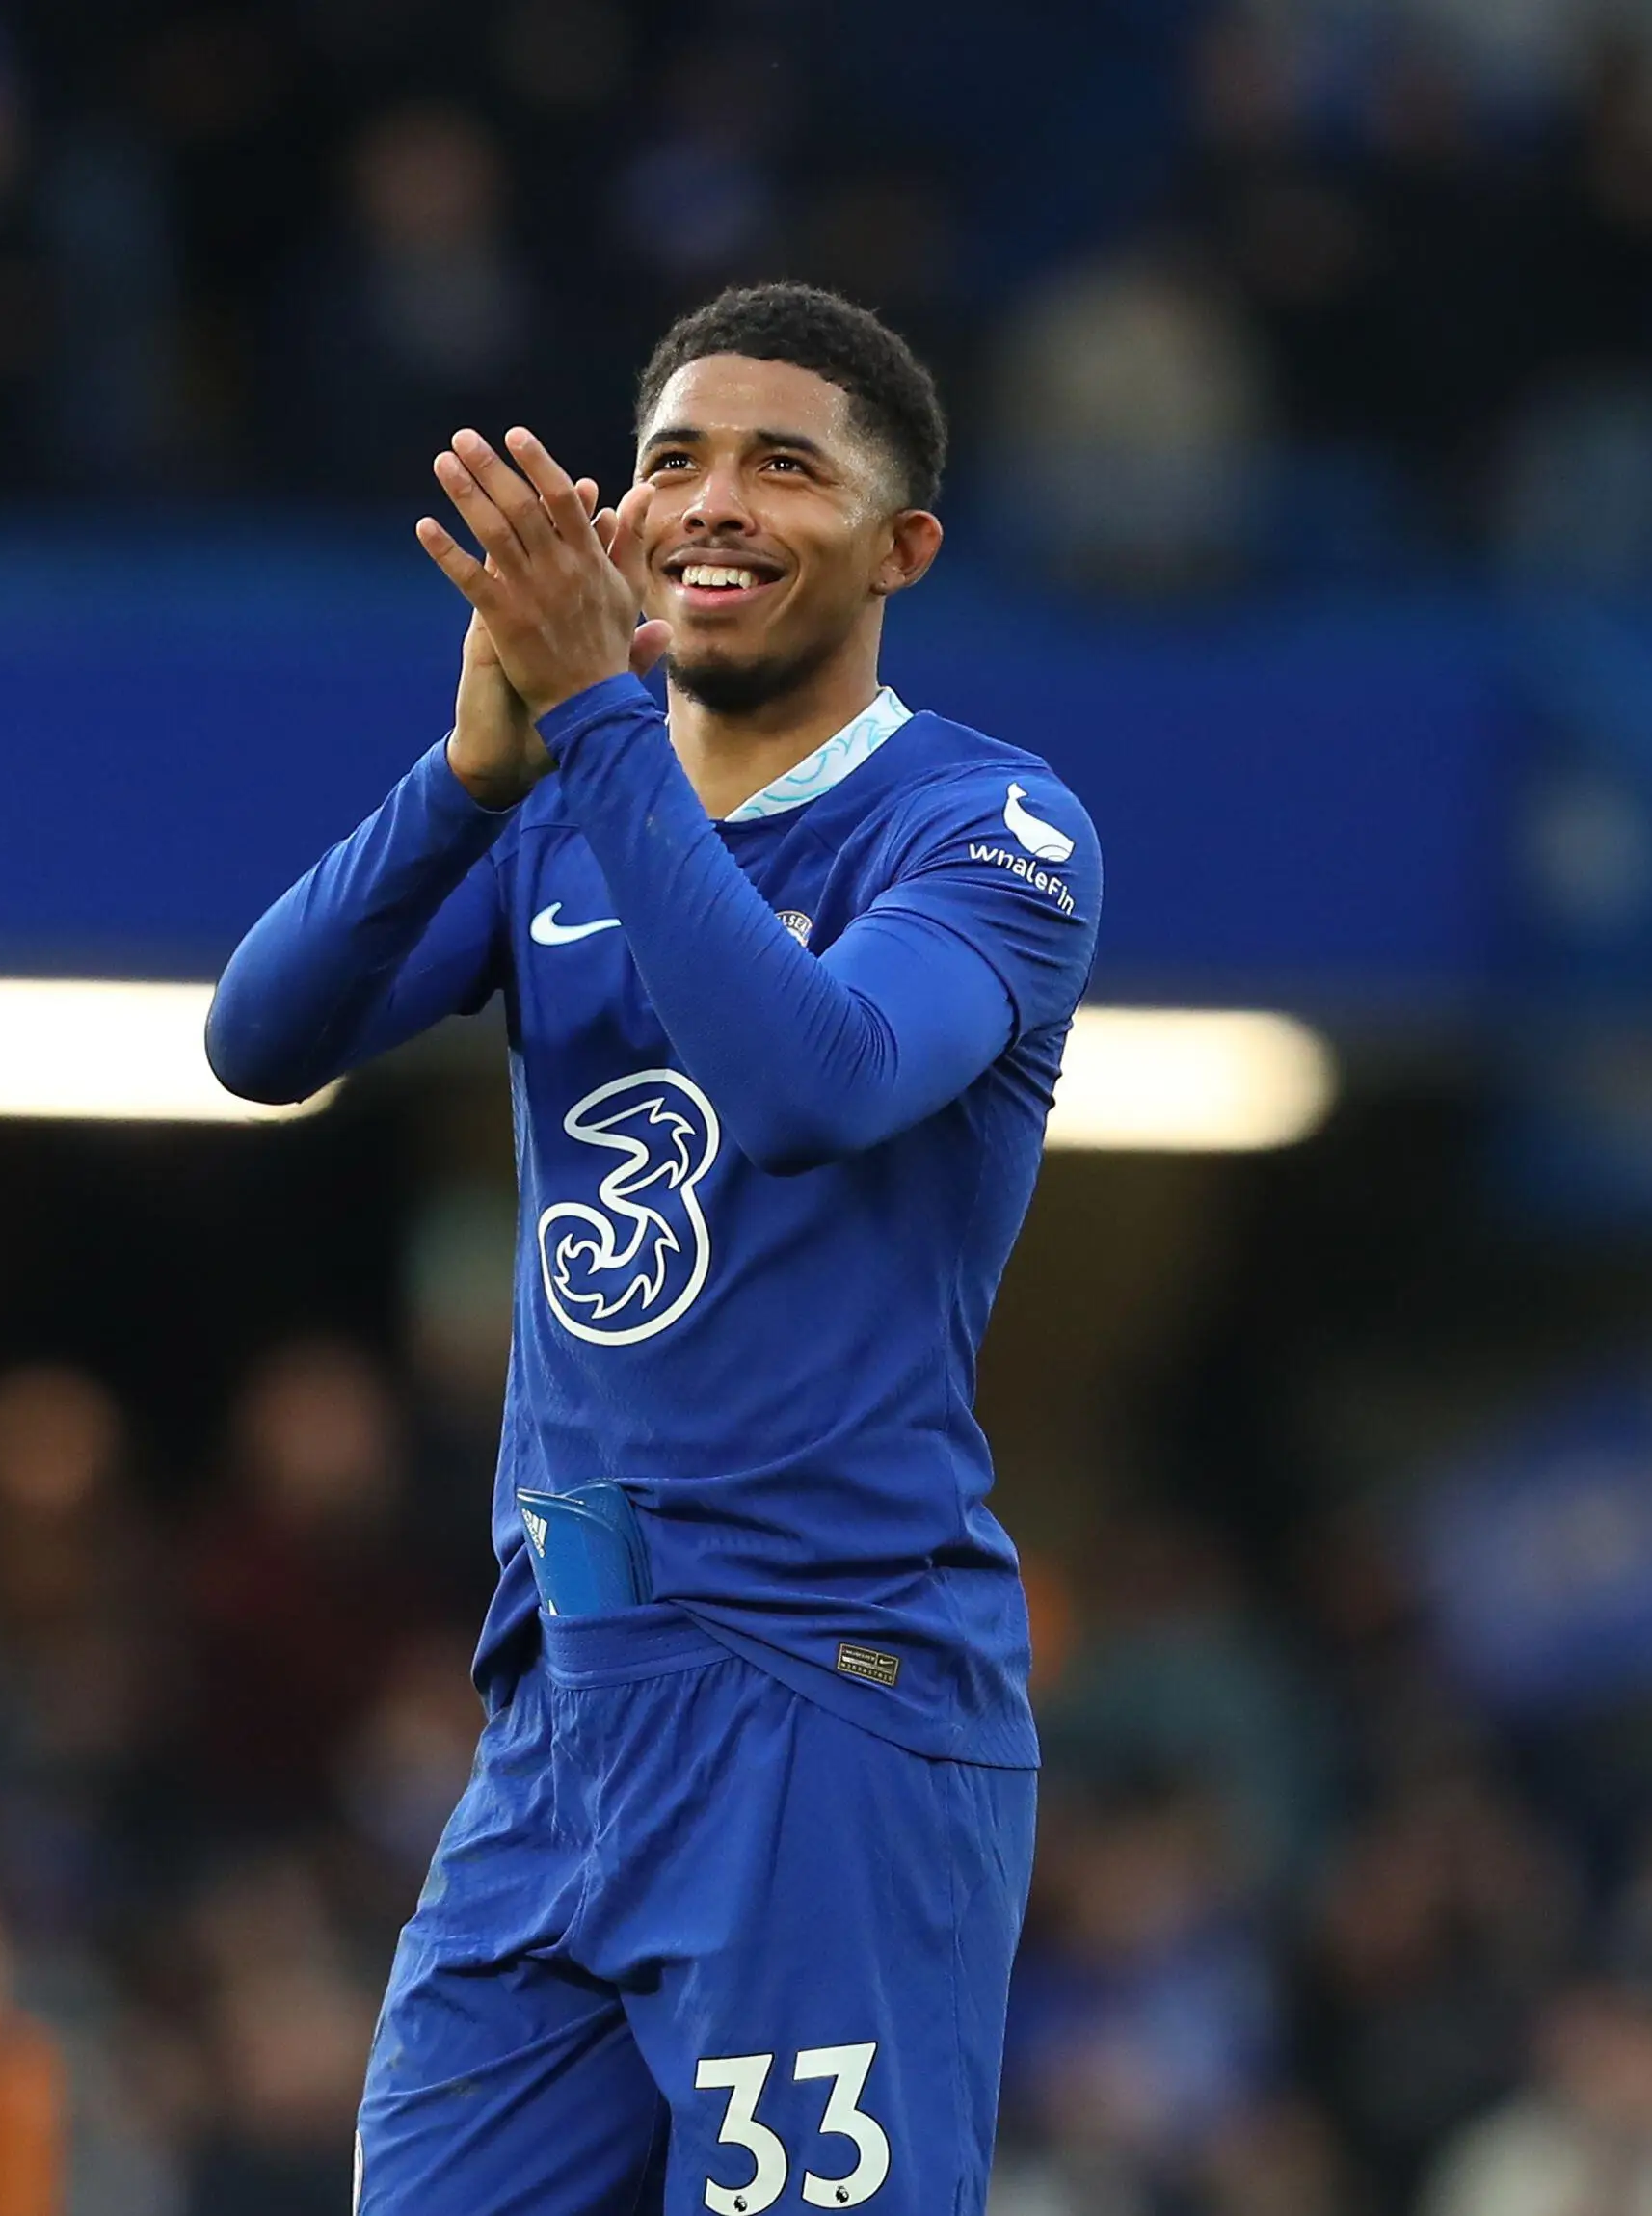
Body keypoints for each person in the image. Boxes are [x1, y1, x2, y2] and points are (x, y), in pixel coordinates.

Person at [207, 281, 1103, 2216]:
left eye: (787, 467)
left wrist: (600, 730)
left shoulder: (988, 825)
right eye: (676, 459)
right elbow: (259, 1039)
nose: (714, 503)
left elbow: (815, 1078)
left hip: (826, 1696)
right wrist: (468, 775)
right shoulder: (555, 815)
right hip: (562, 1707)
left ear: (901, 547)